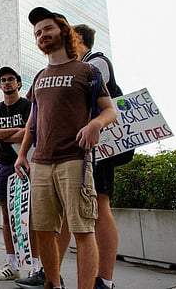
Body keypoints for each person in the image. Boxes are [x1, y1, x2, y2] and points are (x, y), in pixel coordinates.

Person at [13, 8, 117, 289]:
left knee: (83, 230)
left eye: (47, 29)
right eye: (37, 33)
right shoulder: (39, 77)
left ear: (63, 31)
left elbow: (110, 111)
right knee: (43, 230)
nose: (42, 35)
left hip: (75, 160)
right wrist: (23, 154)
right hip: (41, 163)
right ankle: (53, 284)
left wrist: (95, 125)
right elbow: (32, 122)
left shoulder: (88, 70)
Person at [52, 24, 125, 289]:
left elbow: (93, 99)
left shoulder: (96, 63)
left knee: (101, 206)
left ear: (78, 38)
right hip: (77, 147)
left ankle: (103, 279)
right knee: (66, 211)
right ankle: (51, 274)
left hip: (99, 146)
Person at [0, 66, 41, 282]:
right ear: (0, 85)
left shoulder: (28, 106)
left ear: (19, 83)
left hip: (27, 164)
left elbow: (32, 131)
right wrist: (17, 133)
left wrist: (3, 133)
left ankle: (36, 265)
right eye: (3, 80)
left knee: (30, 216)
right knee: (8, 217)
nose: (7, 83)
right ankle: (12, 264)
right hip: (3, 165)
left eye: (11, 79)